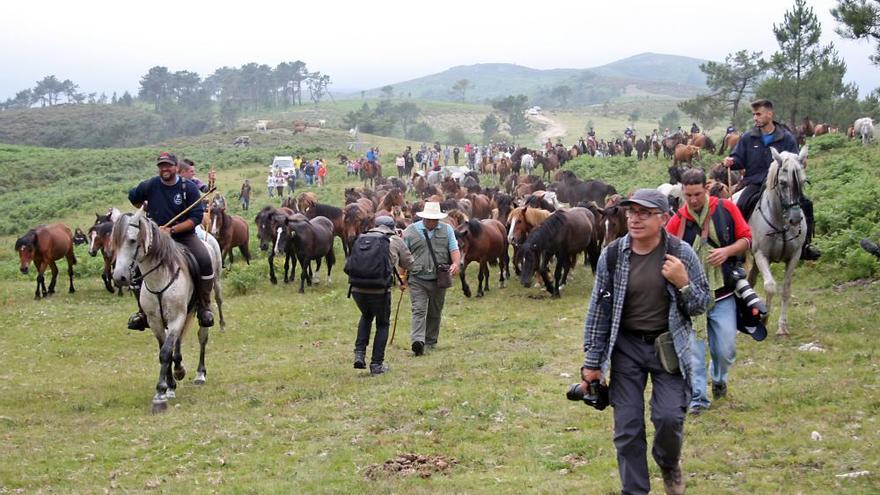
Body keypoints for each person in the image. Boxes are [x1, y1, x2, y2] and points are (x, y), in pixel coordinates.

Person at [581, 189, 710, 495]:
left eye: (644, 213)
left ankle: (668, 464)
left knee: (668, 418)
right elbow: (599, 311)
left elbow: (702, 304)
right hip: (626, 349)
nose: (635, 219)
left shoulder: (681, 254)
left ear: (664, 218)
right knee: (627, 428)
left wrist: (684, 284)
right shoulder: (612, 256)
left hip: (668, 347)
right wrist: (592, 362)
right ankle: (635, 490)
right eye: (631, 212)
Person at [665, 169, 752, 415]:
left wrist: (727, 251)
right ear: (682, 192)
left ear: (706, 188)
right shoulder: (677, 221)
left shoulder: (725, 209)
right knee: (693, 352)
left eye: (697, 194)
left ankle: (719, 377)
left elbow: (746, 239)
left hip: (723, 293)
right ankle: (698, 399)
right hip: (691, 298)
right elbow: (667, 252)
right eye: (688, 194)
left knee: (725, 350)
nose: (693, 200)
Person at [126, 152, 216, 330]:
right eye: (161, 166)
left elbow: (196, 217)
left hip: (184, 236)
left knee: (204, 260)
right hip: (155, 239)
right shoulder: (151, 184)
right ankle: (142, 312)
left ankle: (204, 307)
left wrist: (172, 230)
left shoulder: (187, 187)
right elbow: (133, 197)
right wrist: (143, 205)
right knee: (135, 269)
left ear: (176, 167)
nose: (164, 169)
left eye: (168, 165)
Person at [723, 99, 821, 260]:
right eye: (754, 115)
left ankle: (804, 246)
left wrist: (801, 162)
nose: (755, 118)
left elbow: (795, 160)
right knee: (739, 206)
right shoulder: (748, 137)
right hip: (755, 182)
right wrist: (731, 161)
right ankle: (737, 249)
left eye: (759, 114)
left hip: (782, 184)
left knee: (806, 204)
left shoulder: (786, 138)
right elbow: (739, 158)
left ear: (770, 114)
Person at [350, 216, 415, 375]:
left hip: (357, 287)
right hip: (379, 289)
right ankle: (376, 365)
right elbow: (410, 263)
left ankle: (359, 353)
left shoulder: (363, 237)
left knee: (366, 316)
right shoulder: (394, 240)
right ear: (392, 227)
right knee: (382, 323)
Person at [403, 202, 461, 356]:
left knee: (435, 311)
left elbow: (453, 248)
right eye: (429, 219)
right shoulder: (410, 231)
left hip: (439, 278)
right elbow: (404, 254)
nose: (432, 222)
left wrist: (455, 263)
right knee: (419, 309)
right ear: (424, 218)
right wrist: (402, 277)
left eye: (435, 219)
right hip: (417, 278)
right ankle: (418, 341)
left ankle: (430, 340)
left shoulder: (447, 229)